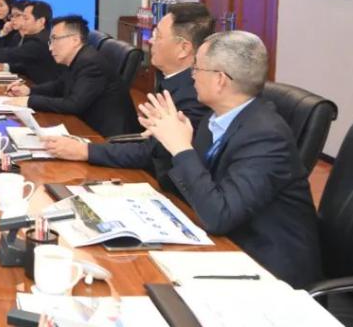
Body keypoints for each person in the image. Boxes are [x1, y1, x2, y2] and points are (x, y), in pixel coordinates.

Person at [134, 31, 321, 288]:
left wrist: (181, 148)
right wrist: (170, 143)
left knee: (145, 282)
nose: (192, 75)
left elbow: (219, 216)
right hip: (228, 245)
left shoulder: (266, 136)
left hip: (268, 270)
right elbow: (182, 190)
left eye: (197, 68)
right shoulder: (216, 120)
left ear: (220, 79)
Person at [46, 3, 215, 190]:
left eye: (158, 35)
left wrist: (84, 151)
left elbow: (154, 153)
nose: (150, 40)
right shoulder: (172, 79)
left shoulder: (195, 95)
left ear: (183, 48)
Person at [5, 15, 137, 136]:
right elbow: (59, 85)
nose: (50, 48)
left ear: (75, 40)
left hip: (106, 137)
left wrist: (29, 101)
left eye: (55, 39)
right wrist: (29, 91)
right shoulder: (78, 58)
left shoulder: (90, 63)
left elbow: (74, 104)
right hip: (86, 124)